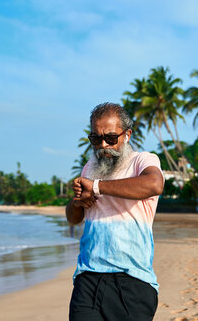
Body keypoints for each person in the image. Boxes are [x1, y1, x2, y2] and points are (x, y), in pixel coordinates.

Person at [67, 102, 165, 321]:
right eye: (96, 138)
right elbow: (73, 219)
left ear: (127, 134)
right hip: (88, 278)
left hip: (132, 281)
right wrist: (76, 202)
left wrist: (96, 186)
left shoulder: (143, 161)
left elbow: (154, 185)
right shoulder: (89, 168)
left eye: (111, 138)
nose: (103, 145)